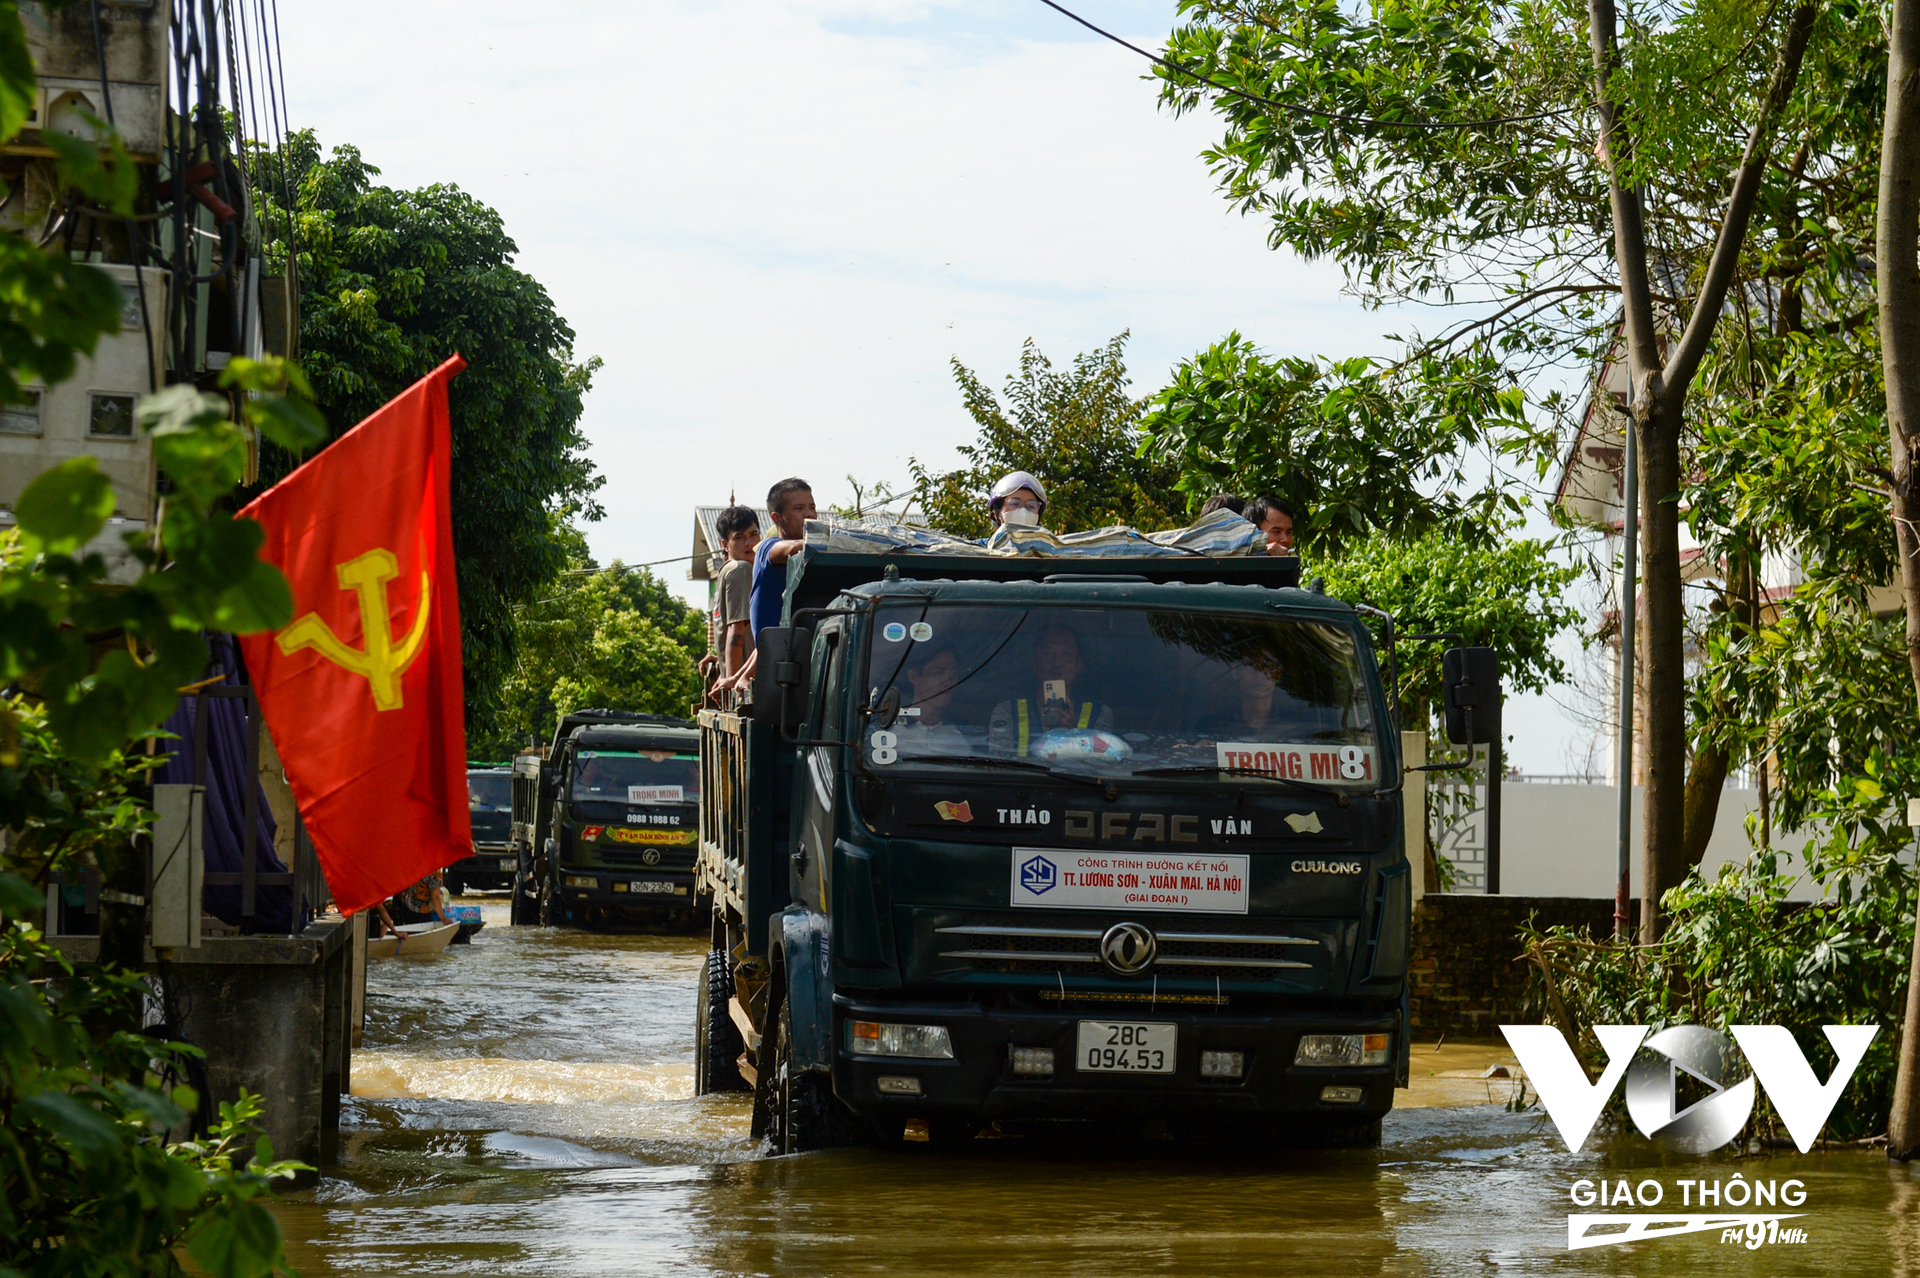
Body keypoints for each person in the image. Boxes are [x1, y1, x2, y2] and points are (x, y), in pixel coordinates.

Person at [988, 625, 1115, 756]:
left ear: (1078, 666)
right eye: (1048, 654)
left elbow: (1101, 766)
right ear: (1035, 663)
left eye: (1066, 655)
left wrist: (1073, 736)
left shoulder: (1099, 714)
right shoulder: (1007, 711)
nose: (1057, 663)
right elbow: (999, 762)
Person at [749, 478, 816, 641]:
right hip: (779, 656)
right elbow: (792, 548)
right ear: (777, 518)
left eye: (812, 507)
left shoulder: (819, 552)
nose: (809, 514)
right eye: (798, 508)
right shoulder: (768, 547)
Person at [889, 644, 971, 758]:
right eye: (938, 673)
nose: (948, 683)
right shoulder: (889, 730)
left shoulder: (965, 732)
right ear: (914, 677)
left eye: (953, 673)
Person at [713, 505, 760, 683]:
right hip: (744, 685)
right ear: (725, 544)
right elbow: (736, 628)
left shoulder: (725, 571)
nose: (749, 543)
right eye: (739, 537)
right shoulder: (740, 569)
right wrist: (732, 682)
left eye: (753, 534)